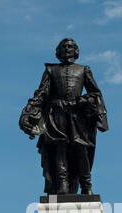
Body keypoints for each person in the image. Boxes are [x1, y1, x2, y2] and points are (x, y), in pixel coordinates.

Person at [19, 38, 108, 195]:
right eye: (64, 46)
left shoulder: (84, 70)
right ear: (58, 51)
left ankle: (86, 186)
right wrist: (29, 110)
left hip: (78, 115)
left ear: (76, 51)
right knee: (60, 148)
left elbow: (95, 93)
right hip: (57, 113)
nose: (67, 49)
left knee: (81, 149)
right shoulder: (51, 70)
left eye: (70, 46)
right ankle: (63, 185)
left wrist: (84, 100)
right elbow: (41, 93)